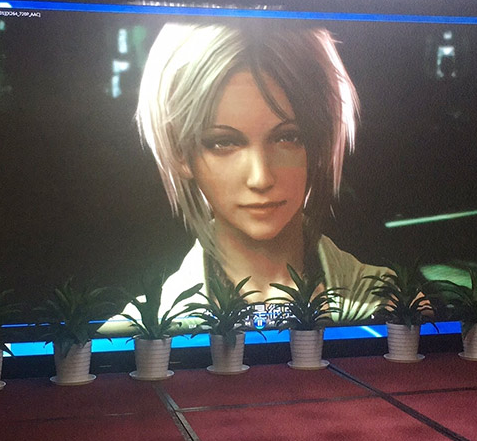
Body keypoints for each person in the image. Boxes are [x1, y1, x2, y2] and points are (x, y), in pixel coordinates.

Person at [105, 21, 386, 336]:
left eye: (288, 138)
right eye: (224, 142)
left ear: (319, 142)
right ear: (181, 152)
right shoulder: (133, 331)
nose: (261, 177)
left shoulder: (391, 303)